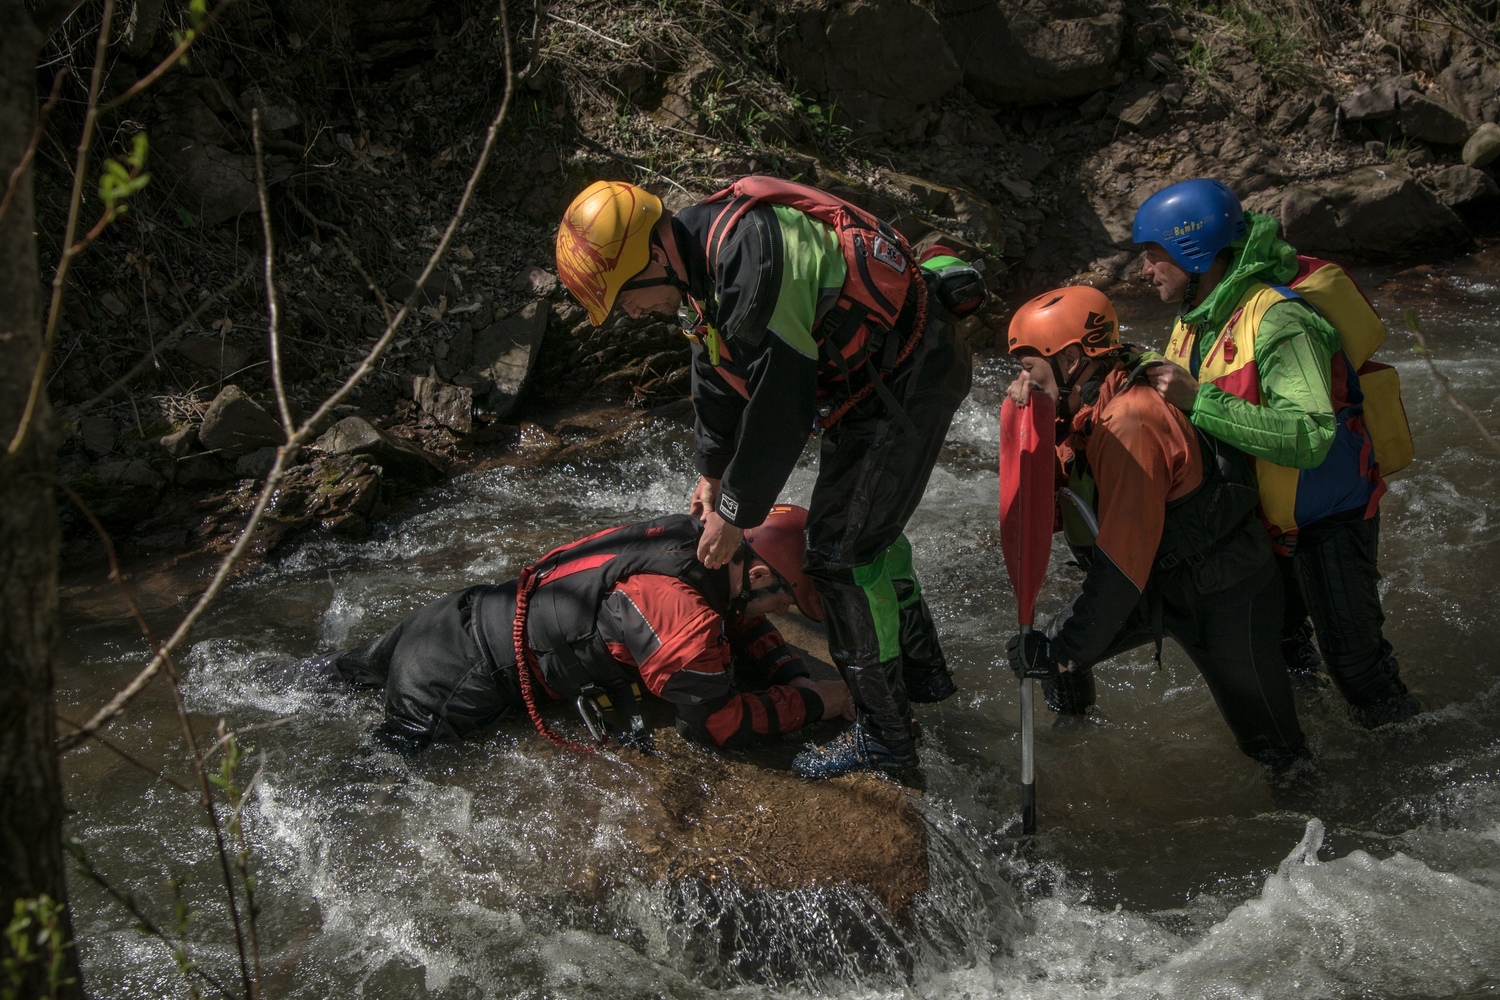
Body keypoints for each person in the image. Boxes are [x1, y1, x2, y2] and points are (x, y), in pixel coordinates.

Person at [555, 177, 977, 778]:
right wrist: (711, 473)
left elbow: (781, 409)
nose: (627, 312)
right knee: (863, 534)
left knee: (839, 557)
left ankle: (886, 736)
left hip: (913, 372)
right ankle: (924, 672)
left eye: (624, 295)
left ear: (652, 256)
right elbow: (711, 366)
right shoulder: (702, 255)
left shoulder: (751, 262)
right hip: (875, 380)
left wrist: (736, 515)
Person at [1131, 178, 1418, 728]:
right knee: (1285, 652)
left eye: (1152, 254)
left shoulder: (1282, 321)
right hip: (1263, 519)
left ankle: (1412, 770)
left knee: (1360, 674)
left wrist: (1198, 399)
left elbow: (1311, 436)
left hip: (1327, 518)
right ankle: (1310, 753)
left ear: (1194, 251)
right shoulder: (1200, 312)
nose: (1144, 270)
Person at [1003, 286, 1306, 769]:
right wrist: (1032, 422)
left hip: (1223, 589)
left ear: (1072, 360)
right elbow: (1057, 505)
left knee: (1273, 747)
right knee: (1053, 651)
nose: (1020, 379)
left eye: (1026, 367)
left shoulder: (1130, 422)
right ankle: (1075, 738)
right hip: (1159, 581)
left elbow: (1122, 566)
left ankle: (1317, 814)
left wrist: (1067, 648)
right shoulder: (1088, 406)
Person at [300, 505, 852, 753]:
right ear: (756, 572)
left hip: (454, 615)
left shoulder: (701, 540)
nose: (780, 613)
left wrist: (792, 672)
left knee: (310, 684)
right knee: (375, 779)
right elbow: (715, 726)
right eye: (784, 598)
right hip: (456, 678)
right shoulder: (680, 611)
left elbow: (741, 620)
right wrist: (819, 702)